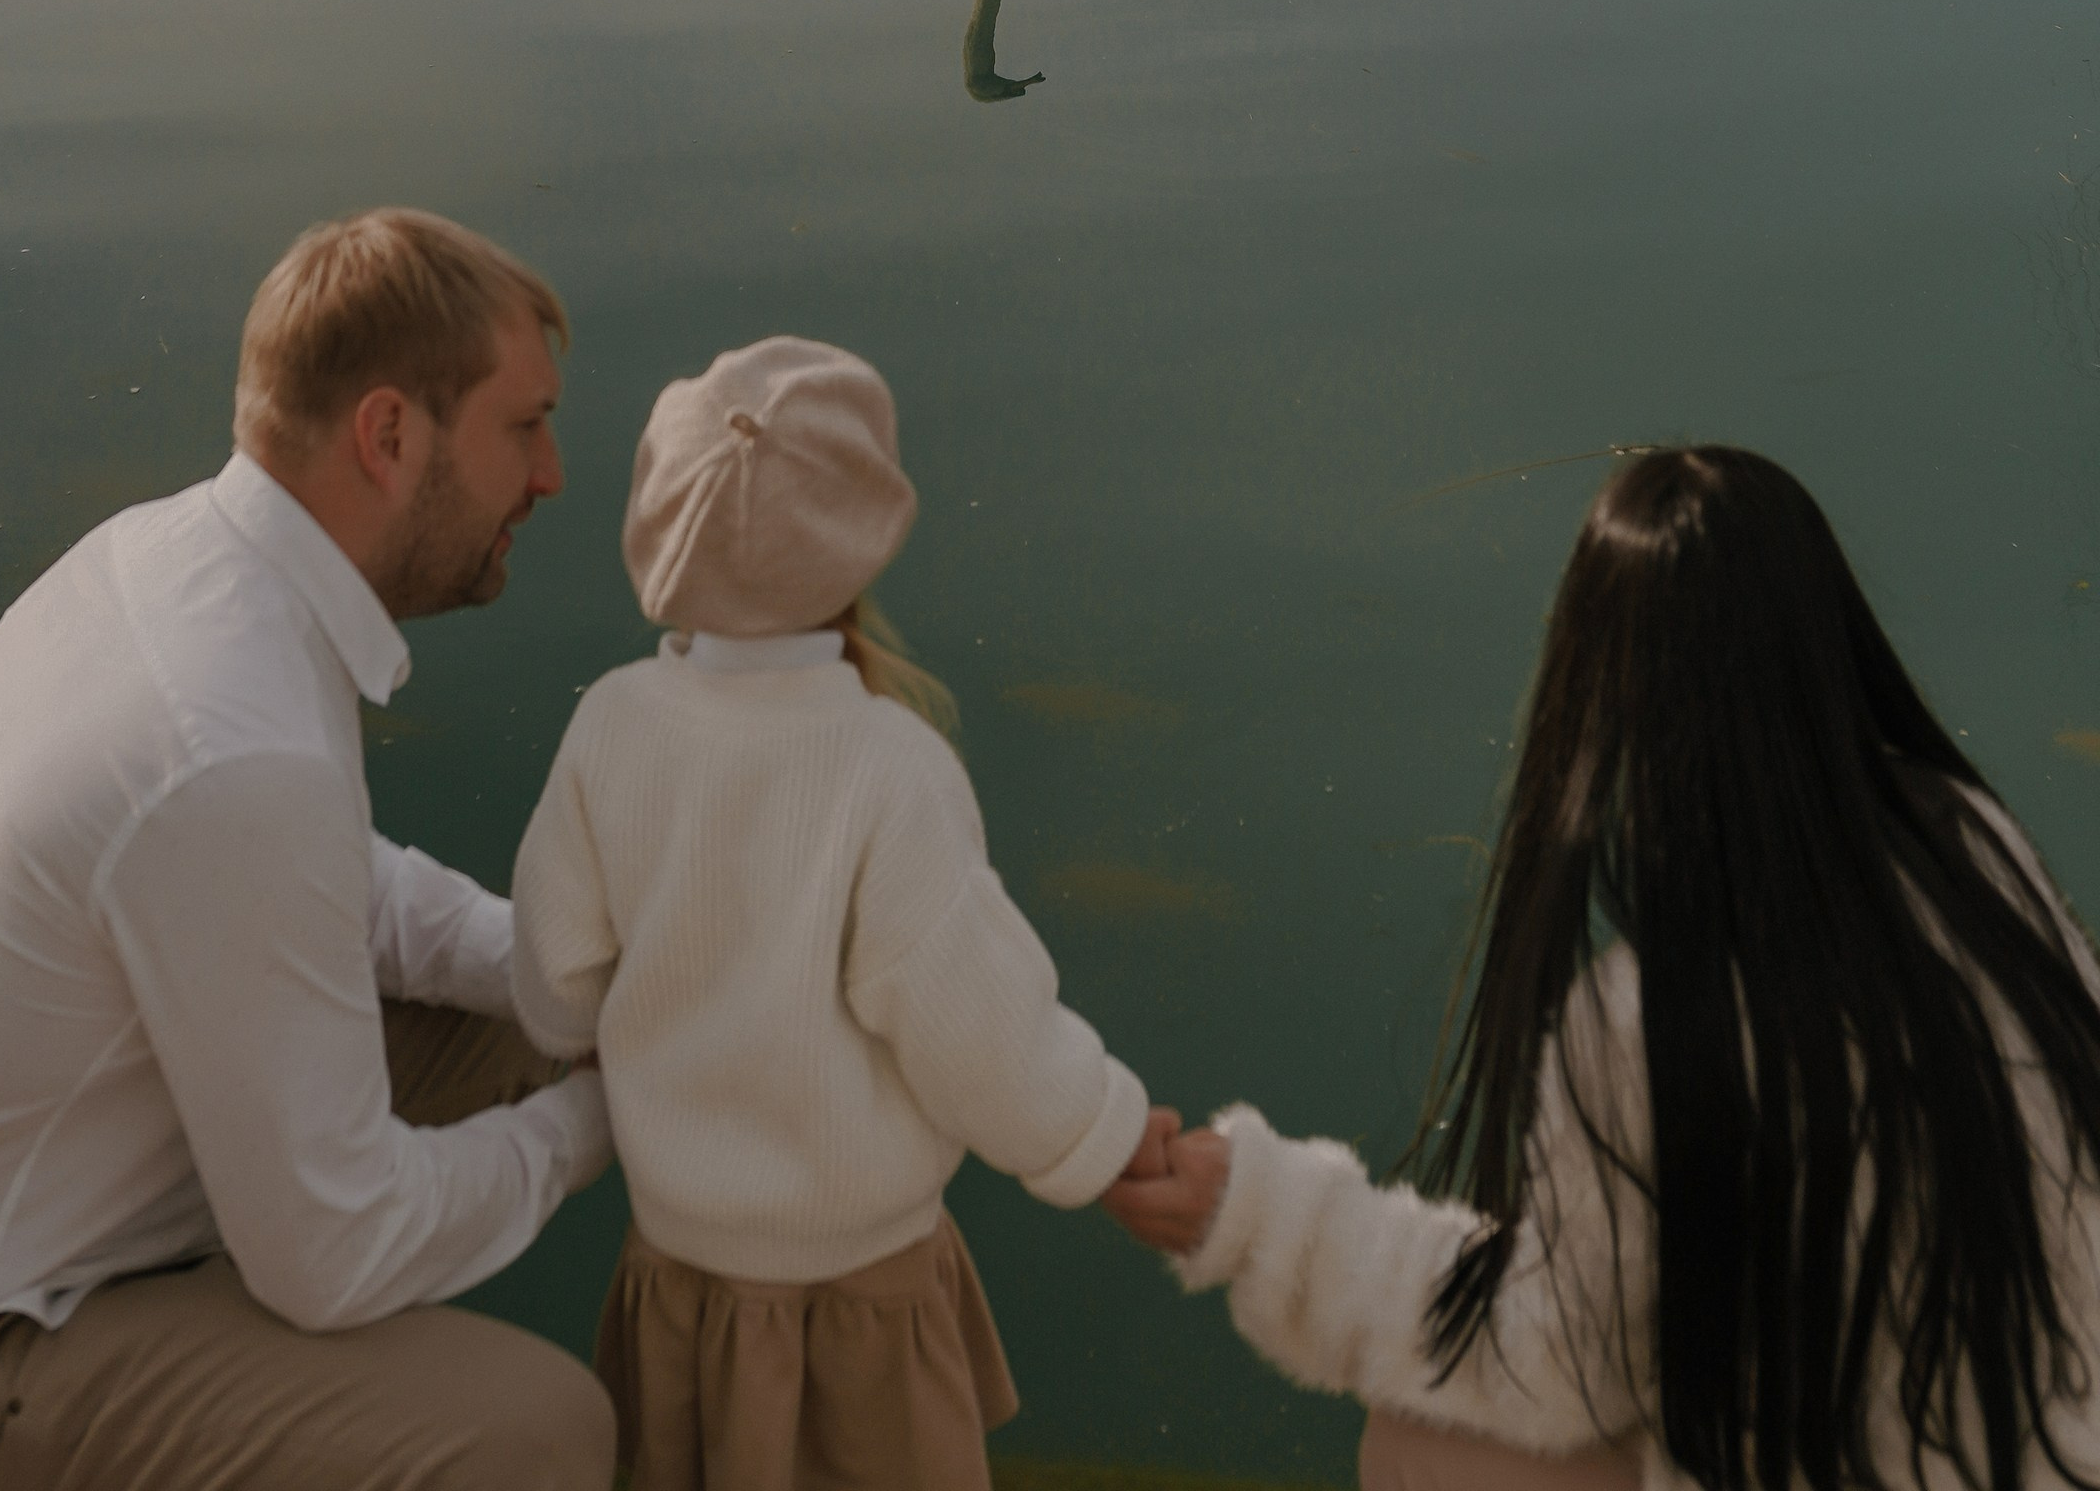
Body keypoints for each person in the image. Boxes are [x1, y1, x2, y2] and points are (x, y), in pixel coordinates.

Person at [0, 209, 618, 1491]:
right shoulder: (228, 740)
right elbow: (333, 1254)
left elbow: (333, 873)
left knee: (556, 1011)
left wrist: (575, 972)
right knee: (533, 1430)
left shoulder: (175, 567)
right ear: (390, 435)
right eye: (524, 425)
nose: (555, 471)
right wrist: (596, 1123)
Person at [1108, 444, 2100, 1491]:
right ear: (1831, 637)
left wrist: (1262, 1214)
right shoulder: (1975, 848)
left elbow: (1551, 1367)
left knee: (1415, 1448)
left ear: (1603, 686)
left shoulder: (1654, 1013)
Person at [512, 333, 1162, 1491]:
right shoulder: (889, 766)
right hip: (862, 1302)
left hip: (673, 1285)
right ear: (861, 536)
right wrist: (1106, 1139)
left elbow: (555, 990)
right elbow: (982, 1034)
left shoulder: (610, 725)